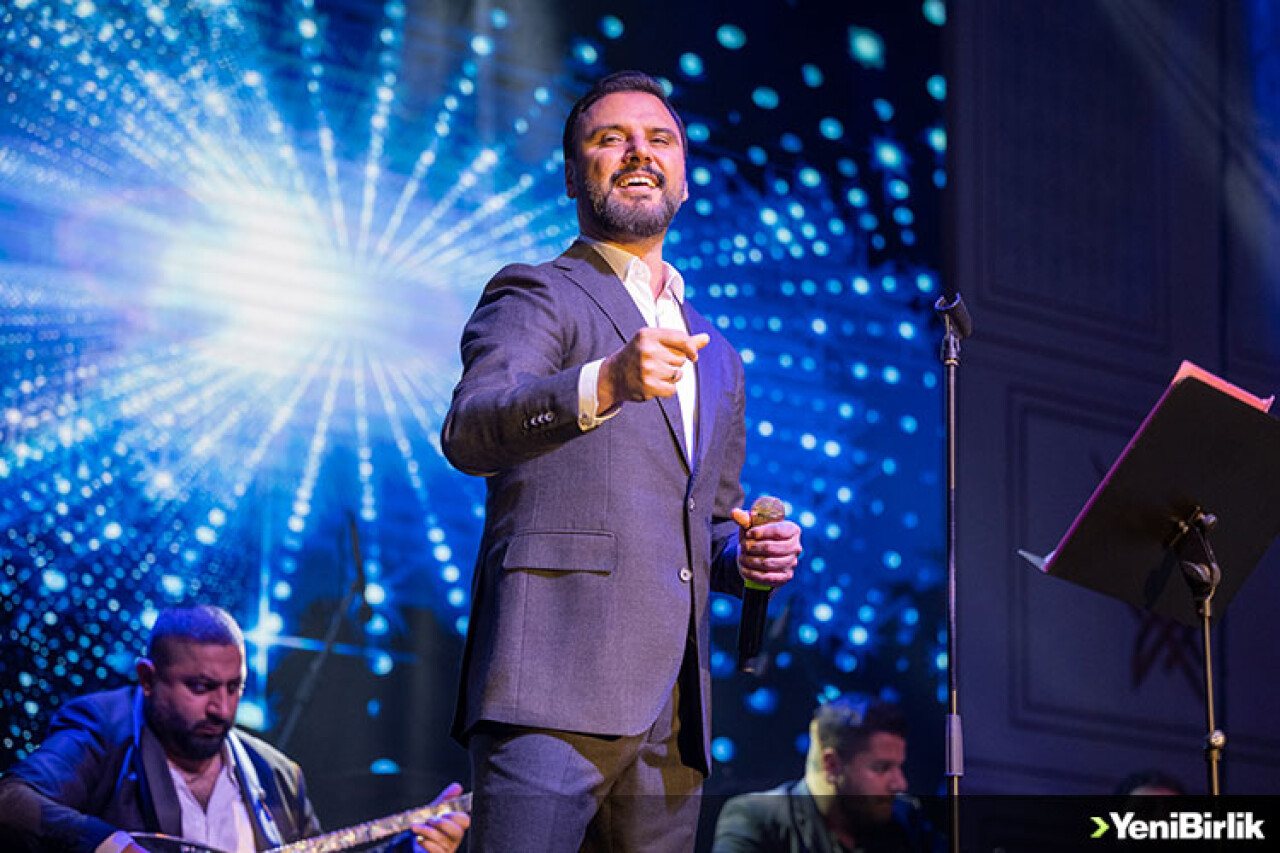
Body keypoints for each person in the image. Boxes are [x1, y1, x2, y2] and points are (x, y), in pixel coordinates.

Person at [441, 70, 803, 851]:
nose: (640, 152)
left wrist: (748, 555)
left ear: (685, 176)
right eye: (612, 139)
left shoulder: (719, 353)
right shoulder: (538, 292)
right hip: (550, 687)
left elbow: (709, 527)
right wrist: (605, 380)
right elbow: (470, 430)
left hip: (672, 721)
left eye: (659, 139)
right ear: (574, 175)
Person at [0, 605, 469, 853]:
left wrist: (413, 849)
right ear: (147, 679)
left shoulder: (277, 774)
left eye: (234, 688)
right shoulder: (104, 726)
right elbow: (12, 801)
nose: (221, 709)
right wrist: (111, 845)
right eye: (200, 687)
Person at [712, 694, 942, 853]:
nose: (899, 784)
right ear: (832, 765)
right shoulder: (755, 817)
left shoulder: (906, 820)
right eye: (882, 768)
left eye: (899, 767)